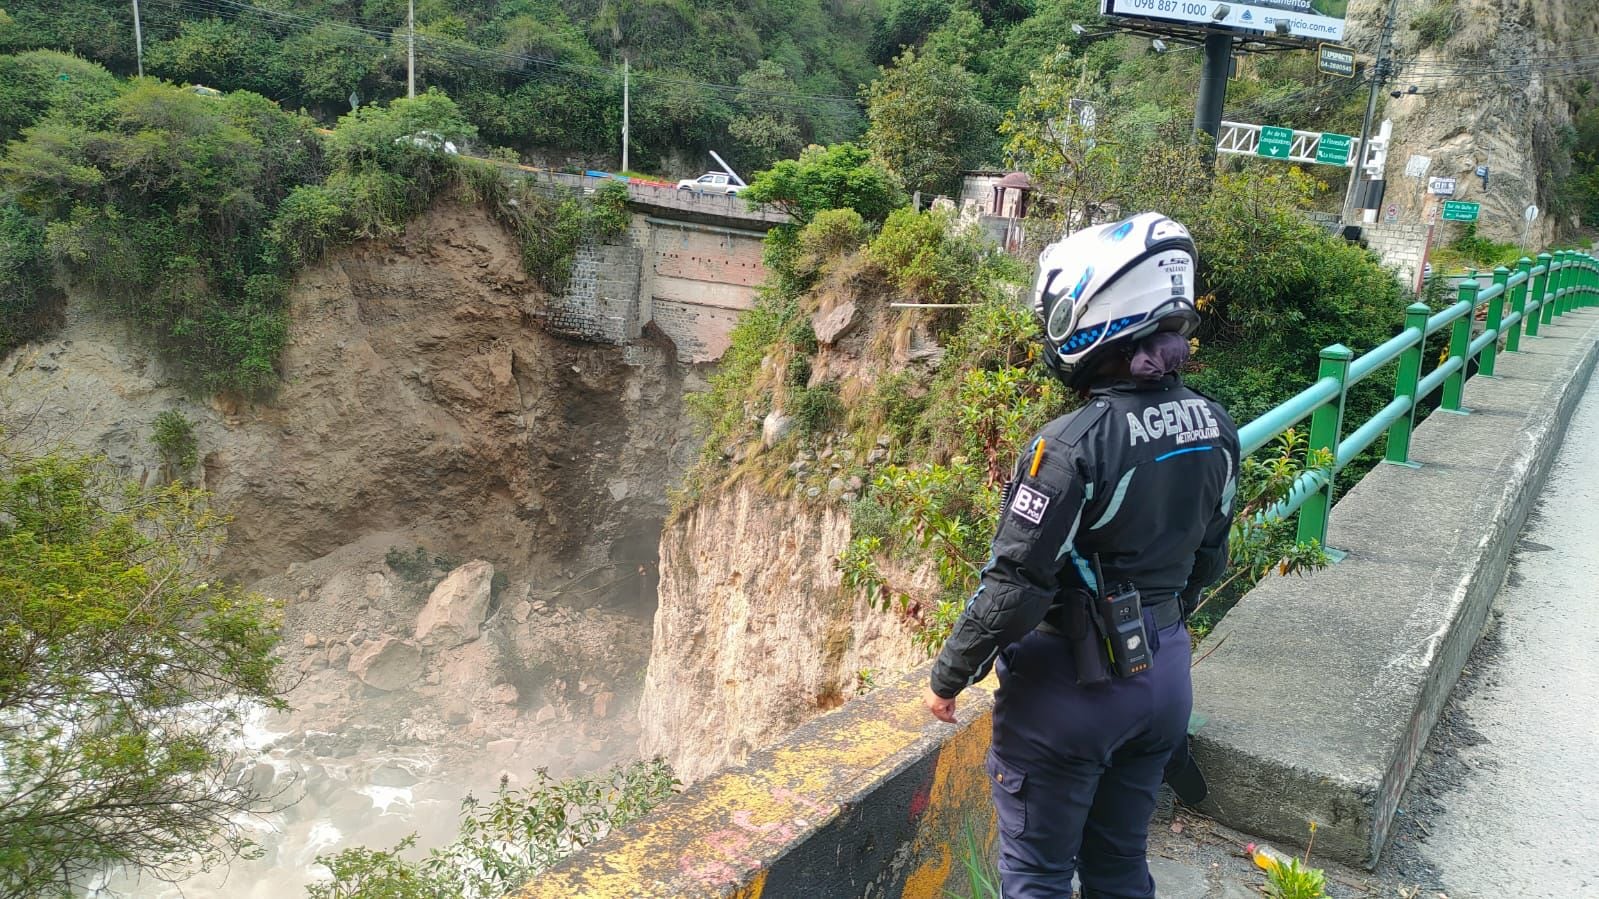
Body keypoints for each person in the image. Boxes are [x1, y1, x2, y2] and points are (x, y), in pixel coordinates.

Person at [922, 212, 1240, 899]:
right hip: (1163, 673)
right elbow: (1211, 554)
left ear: (1094, 315)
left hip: (1071, 685)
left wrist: (949, 675)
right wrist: (1160, 620)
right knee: (1119, 864)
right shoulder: (1213, 424)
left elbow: (1018, 580)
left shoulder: (1070, 444)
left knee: (1036, 874)